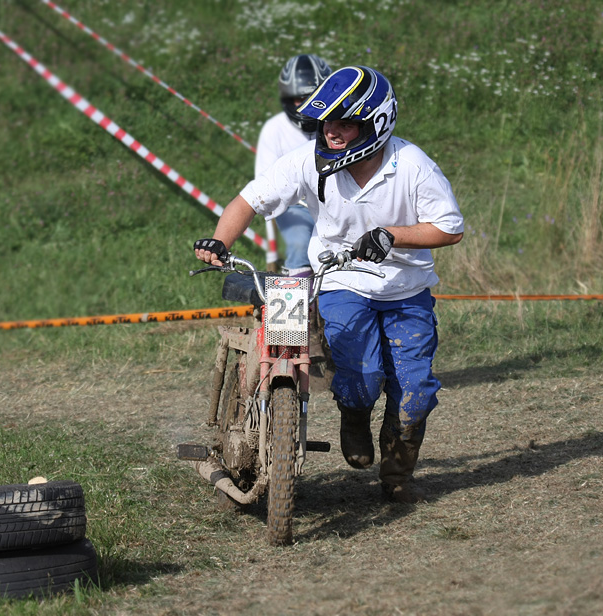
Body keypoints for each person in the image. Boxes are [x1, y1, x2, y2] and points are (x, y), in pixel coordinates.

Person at [194, 66, 464, 503]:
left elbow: (450, 228)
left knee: (413, 394)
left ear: (376, 123)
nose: (332, 132)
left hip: (406, 290)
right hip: (341, 280)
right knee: (360, 378)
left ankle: (396, 475)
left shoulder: (412, 165)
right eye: (326, 122)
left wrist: (394, 234)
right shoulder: (308, 160)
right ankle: (354, 415)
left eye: (344, 123)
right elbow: (249, 199)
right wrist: (220, 240)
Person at [256, 53, 332, 276]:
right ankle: (298, 305)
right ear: (288, 99)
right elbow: (265, 187)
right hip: (294, 205)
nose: (307, 105)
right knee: (301, 243)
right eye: (300, 99)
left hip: (336, 201)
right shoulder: (274, 129)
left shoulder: (336, 123)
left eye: (314, 97)